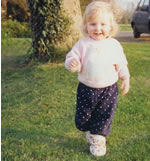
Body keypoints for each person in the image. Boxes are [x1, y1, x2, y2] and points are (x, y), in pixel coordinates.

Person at [64, 1, 130, 157]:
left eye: (102, 24)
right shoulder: (83, 44)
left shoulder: (113, 45)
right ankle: (90, 131)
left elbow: (121, 63)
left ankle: (99, 140)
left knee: (103, 115)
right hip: (86, 88)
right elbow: (71, 58)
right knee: (82, 119)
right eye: (93, 24)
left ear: (110, 26)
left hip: (108, 89)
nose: (98, 28)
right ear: (86, 26)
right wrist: (72, 64)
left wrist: (125, 77)